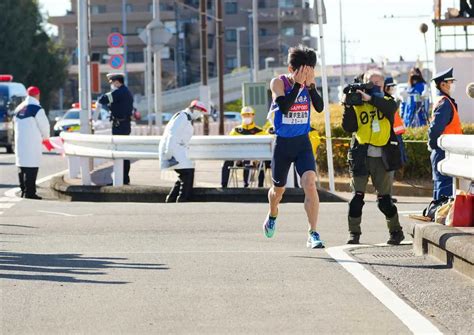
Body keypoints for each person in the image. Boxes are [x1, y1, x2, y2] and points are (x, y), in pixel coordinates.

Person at [264, 45, 324, 249]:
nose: (306, 74)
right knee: (278, 190)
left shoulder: (309, 84)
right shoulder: (278, 83)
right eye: (302, 70)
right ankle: (273, 213)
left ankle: (313, 232)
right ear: (292, 69)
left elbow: (320, 107)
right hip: (283, 144)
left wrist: (312, 87)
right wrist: (298, 86)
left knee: (309, 183)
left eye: (310, 70)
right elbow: (284, 107)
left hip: (302, 143)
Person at [342, 69, 404, 245]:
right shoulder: (357, 103)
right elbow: (348, 127)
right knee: (356, 198)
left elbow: (390, 108)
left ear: (383, 85)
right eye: (370, 82)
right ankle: (354, 233)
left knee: (384, 201)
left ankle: (396, 231)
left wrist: (371, 99)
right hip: (361, 155)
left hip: (382, 157)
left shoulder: (388, 101)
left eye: (377, 83)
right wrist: (347, 106)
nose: (373, 86)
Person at [159, 100, 208, 203]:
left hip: (176, 149)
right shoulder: (182, 117)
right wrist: (169, 151)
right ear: (193, 108)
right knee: (187, 172)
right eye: (199, 110)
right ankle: (182, 199)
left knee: (184, 173)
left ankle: (172, 199)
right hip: (172, 149)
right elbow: (172, 134)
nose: (200, 113)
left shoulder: (185, 117)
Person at [428, 68, 463, 201]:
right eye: (450, 82)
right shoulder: (444, 103)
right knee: (445, 185)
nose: (452, 84)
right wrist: (434, 146)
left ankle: (438, 212)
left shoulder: (443, 101)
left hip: (443, 150)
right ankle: (441, 213)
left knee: (441, 184)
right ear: (443, 84)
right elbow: (435, 129)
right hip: (444, 151)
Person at [14, 86, 50, 199]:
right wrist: (46, 138)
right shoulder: (37, 109)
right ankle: (30, 192)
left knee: (22, 166)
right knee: (32, 167)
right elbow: (45, 126)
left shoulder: (18, 108)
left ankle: (23, 190)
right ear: (37, 95)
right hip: (32, 142)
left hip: (20, 142)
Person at [98, 73, 134, 185]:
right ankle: (124, 178)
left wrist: (109, 94)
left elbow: (102, 99)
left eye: (112, 82)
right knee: (124, 152)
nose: (112, 85)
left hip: (119, 126)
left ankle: (120, 179)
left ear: (117, 82)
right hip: (125, 124)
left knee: (119, 152)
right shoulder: (126, 92)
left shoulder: (119, 92)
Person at [221, 106, 269, 188]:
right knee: (227, 161)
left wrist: (257, 158)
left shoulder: (260, 131)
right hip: (238, 158)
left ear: (253, 115)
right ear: (241, 116)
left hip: (255, 159)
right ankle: (223, 186)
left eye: (248, 115)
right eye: (244, 115)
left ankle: (251, 186)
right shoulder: (235, 130)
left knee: (257, 161)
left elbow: (266, 147)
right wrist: (237, 158)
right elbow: (230, 145)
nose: (246, 117)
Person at [384, 77, 407, 166]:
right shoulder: (386, 100)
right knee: (397, 154)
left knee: (400, 153)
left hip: (397, 132)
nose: (393, 89)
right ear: (386, 88)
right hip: (393, 133)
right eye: (391, 87)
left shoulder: (391, 100)